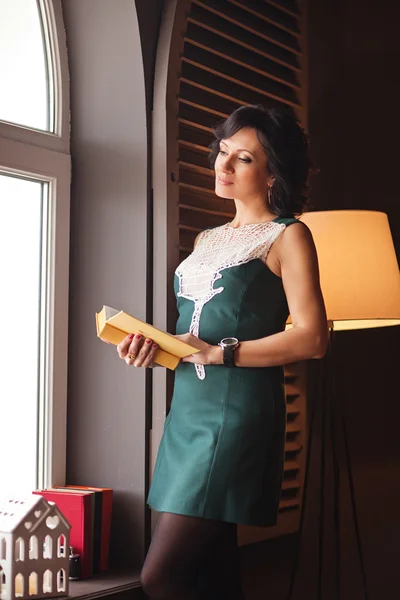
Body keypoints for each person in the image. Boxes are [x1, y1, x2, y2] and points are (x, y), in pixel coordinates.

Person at [116, 105, 328, 599]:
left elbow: (313, 338)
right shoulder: (206, 239)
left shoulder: (289, 235)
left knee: (161, 576)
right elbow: (193, 335)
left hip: (235, 417)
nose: (223, 165)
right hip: (188, 413)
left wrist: (219, 354)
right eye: (223, 152)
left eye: (244, 158)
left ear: (273, 169)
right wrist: (155, 350)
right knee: (213, 573)